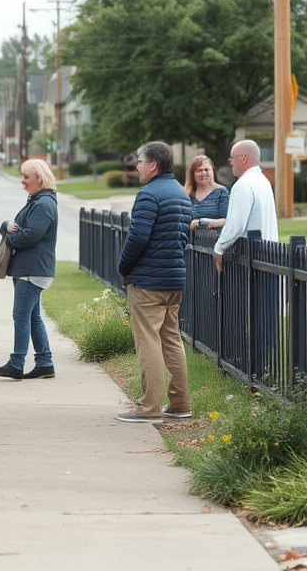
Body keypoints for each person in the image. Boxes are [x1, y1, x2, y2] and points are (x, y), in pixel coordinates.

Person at [115, 141, 193, 423]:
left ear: (153, 165)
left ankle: (148, 408)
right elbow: (183, 237)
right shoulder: (181, 194)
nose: (137, 166)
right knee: (171, 340)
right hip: (174, 280)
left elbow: (138, 237)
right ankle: (181, 404)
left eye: (140, 161)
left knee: (148, 341)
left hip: (148, 282)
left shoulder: (149, 195)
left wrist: (123, 267)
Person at [0, 159, 58, 381]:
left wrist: (9, 235)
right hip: (30, 268)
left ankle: (16, 364)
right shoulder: (37, 201)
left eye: (26, 177)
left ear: (39, 178)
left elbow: (28, 237)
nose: (23, 181)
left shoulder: (43, 204)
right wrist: (6, 227)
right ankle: (44, 363)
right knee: (33, 316)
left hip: (32, 269)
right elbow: (18, 227)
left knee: (21, 316)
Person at [213, 140, 279, 271]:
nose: (230, 162)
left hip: (250, 257)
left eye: (232, 158)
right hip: (269, 253)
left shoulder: (243, 185)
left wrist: (219, 248)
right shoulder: (263, 181)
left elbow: (236, 225)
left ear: (243, 158)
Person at [184, 155, 229, 229]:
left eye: (206, 170)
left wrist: (201, 223)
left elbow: (226, 220)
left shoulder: (221, 192)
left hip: (214, 238)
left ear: (212, 171)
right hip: (191, 239)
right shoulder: (185, 194)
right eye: (199, 171)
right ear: (192, 174)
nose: (203, 173)